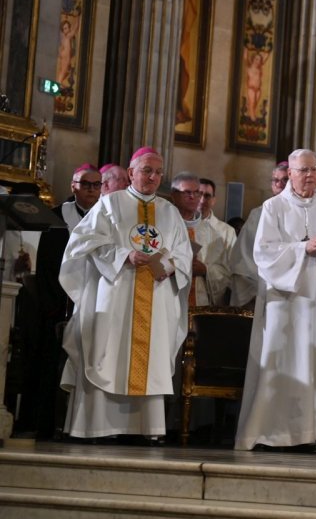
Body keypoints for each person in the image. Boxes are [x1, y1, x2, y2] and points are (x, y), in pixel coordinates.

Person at [234, 149, 316, 451]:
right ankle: (275, 433)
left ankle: (314, 433)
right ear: (289, 173)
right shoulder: (273, 207)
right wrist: (302, 249)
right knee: (283, 361)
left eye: (314, 169)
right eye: (303, 170)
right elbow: (263, 253)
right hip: (286, 299)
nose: (310, 175)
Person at [59, 147, 191, 442]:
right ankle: (98, 427)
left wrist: (170, 266)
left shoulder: (170, 212)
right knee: (106, 354)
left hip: (156, 297)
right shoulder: (109, 204)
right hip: (115, 294)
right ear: (131, 173)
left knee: (150, 359)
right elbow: (82, 244)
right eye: (147, 171)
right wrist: (122, 255)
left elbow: (184, 255)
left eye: (158, 172)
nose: (153, 177)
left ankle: (145, 428)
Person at [22, 165, 102, 438]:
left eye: (96, 185)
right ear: (73, 186)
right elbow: (45, 264)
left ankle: (84, 425)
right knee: (48, 362)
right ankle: (42, 424)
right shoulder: (55, 218)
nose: (92, 189)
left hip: (93, 302)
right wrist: (55, 302)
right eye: (86, 184)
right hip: (57, 302)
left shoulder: (107, 219)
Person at [229, 162, 288, 308]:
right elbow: (244, 258)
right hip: (261, 292)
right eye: (276, 180)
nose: (279, 184)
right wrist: (257, 290)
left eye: (285, 180)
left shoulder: (303, 214)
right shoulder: (258, 214)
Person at [171, 172, 231, 307]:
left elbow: (224, 273)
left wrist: (205, 270)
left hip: (199, 304)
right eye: (186, 192)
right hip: (168, 299)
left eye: (196, 192)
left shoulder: (213, 234)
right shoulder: (163, 225)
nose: (193, 197)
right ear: (174, 195)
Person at [199, 178, 238, 268]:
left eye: (207, 196)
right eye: (199, 194)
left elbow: (231, 269)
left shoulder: (228, 232)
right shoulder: (180, 225)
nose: (202, 200)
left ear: (213, 200)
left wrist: (205, 270)